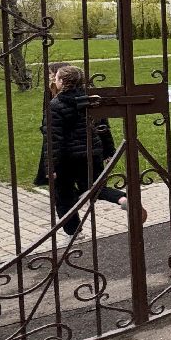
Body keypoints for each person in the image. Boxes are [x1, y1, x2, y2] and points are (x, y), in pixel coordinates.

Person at [44, 64, 144, 236]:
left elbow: (54, 138)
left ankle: (73, 231)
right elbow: (103, 126)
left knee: (63, 195)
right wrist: (109, 151)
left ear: (62, 82)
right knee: (96, 187)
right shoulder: (92, 100)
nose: (55, 80)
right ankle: (124, 199)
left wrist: (50, 165)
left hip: (68, 158)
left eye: (57, 78)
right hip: (92, 152)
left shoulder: (56, 104)